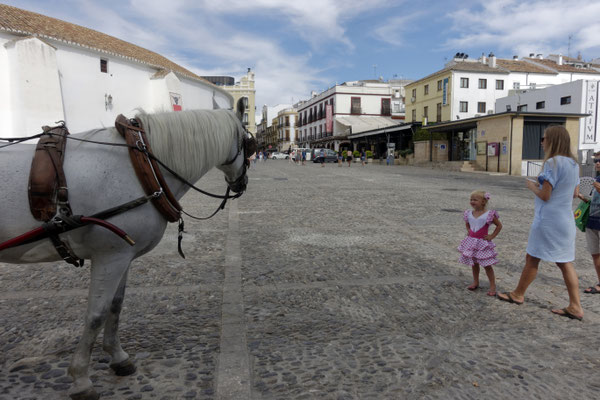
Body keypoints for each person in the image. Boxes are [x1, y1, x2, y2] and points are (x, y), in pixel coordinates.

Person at [498, 125, 583, 321]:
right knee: (565, 262)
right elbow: (575, 193)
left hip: (548, 220)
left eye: (544, 138)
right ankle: (576, 305)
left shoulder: (552, 163)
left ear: (552, 140)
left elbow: (545, 196)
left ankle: (518, 294)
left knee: (532, 258)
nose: (542, 142)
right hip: (565, 219)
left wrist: (532, 186)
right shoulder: (573, 164)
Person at [458, 191, 502, 296]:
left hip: (482, 244)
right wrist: (469, 230)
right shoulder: (468, 213)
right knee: (474, 263)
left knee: (487, 265)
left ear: (483, 202)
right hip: (471, 242)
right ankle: (475, 281)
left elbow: (499, 226)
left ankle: (492, 286)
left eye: (475, 200)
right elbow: (467, 223)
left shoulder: (489, 214)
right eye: (471, 199)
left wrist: (492, 236)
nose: (472, 201)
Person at [578, 151, 600, 294]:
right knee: (595, 253)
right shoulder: (597, 178)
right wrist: (581, 197)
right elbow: (594, 201)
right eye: (596, 161)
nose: (597, 163)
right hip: (592, 221)